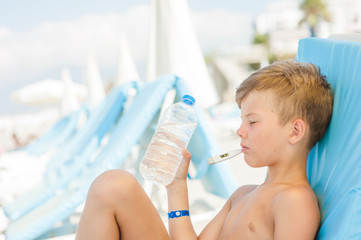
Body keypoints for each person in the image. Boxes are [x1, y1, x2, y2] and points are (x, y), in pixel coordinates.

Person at [75, 60, 333, 240]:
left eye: (252, 122)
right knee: (113, 184)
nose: (240, 131)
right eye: (242, 120)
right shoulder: (241, 195)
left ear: (295, 131)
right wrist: (176, 187)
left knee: (113, 183)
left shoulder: (294, 201)